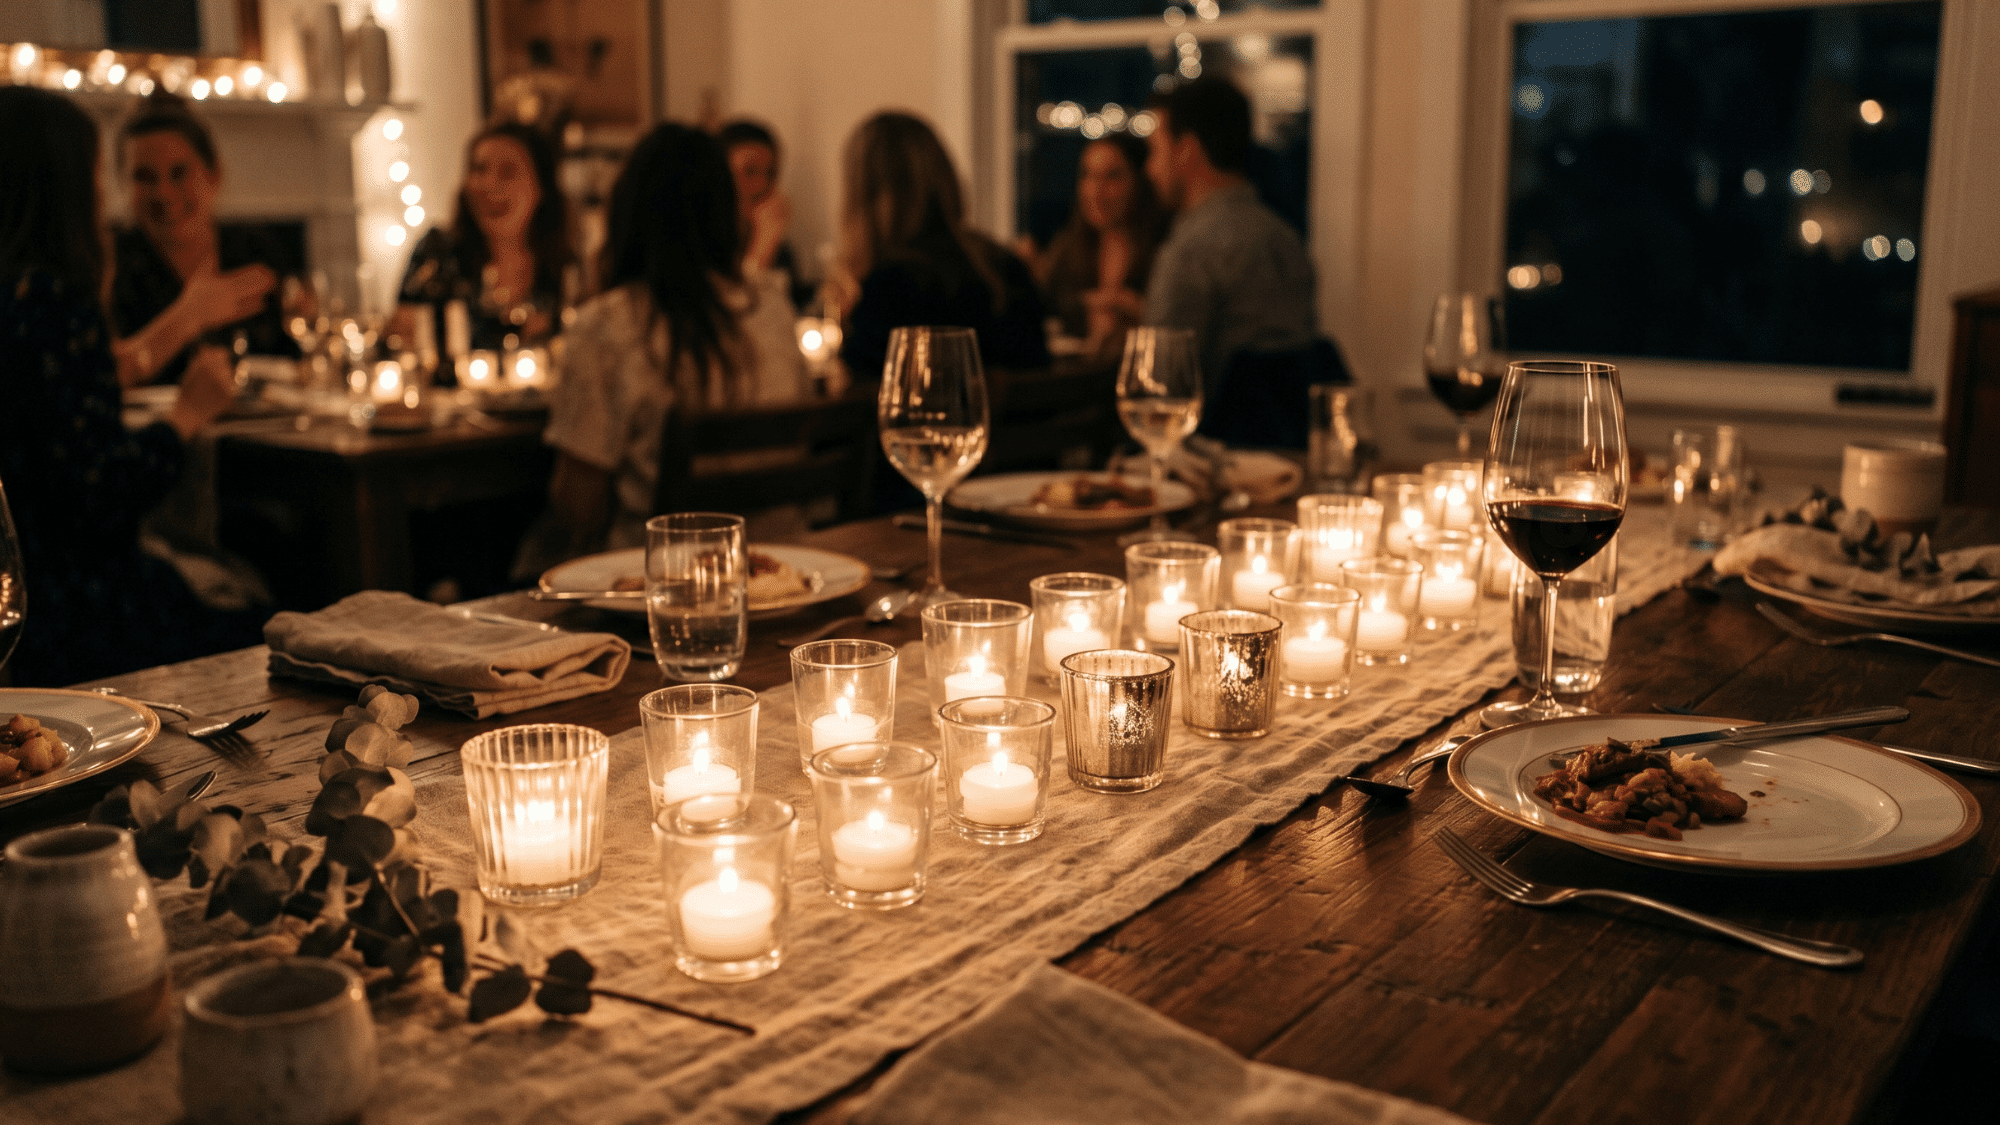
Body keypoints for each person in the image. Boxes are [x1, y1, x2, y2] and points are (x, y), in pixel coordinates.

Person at [0, 86, 262, 686]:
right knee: (278, 617)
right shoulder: (55, 304)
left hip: (20, 590)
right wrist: (186, 416)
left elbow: (53, 401)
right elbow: (104, 494)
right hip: (80, 610)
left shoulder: (16, 303)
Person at [537, 122, 809, 560]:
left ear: (626, 210)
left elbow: (578, 506)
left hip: (660, 579)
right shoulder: (773, 309)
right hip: (780, 564)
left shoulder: (607, 324)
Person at [1145, 75, 1339, 447]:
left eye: (1155, 151)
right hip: (1290, 454)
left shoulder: (1189, 250)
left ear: (1186, 151)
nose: (1150, 169)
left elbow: (1160, 384)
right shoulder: (1284, 238)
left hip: (1215, 458)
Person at [836, 111, 1050, 383]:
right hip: (1021, 425)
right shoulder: (1003, 264)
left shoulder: (893, 287)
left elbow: (866, 392)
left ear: (863, 191)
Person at [109, 91, 290, 387]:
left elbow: (291, 358)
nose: (163, 193)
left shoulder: (254, 248)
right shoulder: (109, 263)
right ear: (122, 185)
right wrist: (191, 315)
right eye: (143, 176)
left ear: (214, 173)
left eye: (179, 173)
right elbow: (100, 379)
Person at [395, 121, 571, 356]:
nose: (489, 184)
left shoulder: (567, 271)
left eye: (507, 172)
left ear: (541, 187)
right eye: (479, 169)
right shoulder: (436, 257)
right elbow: (401, 342)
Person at [1034, 133, 1166, 360]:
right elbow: (1045, 309)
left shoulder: (1165, 251)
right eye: (1088, 176)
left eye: (1111, 177)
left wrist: (1138, 310)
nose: (1096, 190)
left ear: (1139, 181)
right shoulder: (1067, 247)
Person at [717, 118, 811, 311]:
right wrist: (761, 251)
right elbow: (734, 318)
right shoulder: (703, 250)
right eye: (749, 172)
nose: (762, 185)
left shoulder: (781, 252)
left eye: (771, 174)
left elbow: (790, 318)